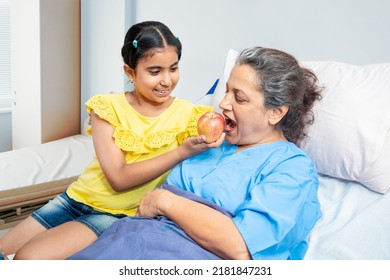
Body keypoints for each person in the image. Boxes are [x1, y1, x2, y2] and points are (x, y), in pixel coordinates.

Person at [68, 46, 323, 260]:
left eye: (240, 98)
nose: (223, 104)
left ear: (276, 112)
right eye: (226, 91)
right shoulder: (210, 144)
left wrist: (164, 201)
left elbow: (240, 246)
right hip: (126, 243)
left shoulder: (292, 167)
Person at [0, 21, 221, 260]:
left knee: (28, 259)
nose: (167, 80)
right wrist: (180, 152)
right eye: (155, 71)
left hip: (115, 214)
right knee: (3, 250)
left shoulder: (190, 115)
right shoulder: (106, 107)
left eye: (173, 68)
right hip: (75, 198)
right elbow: (118, 178)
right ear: (130, 72)